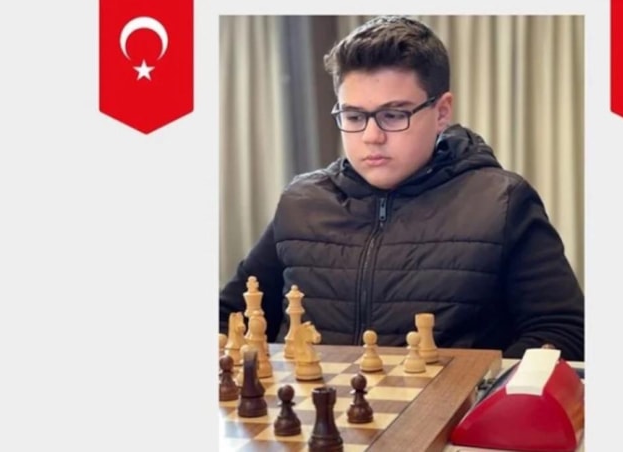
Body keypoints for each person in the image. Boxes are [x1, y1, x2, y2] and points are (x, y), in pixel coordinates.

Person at [219, 15, 585, 361]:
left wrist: (471, 389)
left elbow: (565, 333)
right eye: (354, 116)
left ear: (442, 112)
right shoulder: (302, 202)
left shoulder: (502, 203)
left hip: (455, 409)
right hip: (316, 406)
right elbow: (229, 316)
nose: (371, 136)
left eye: (393, 115)